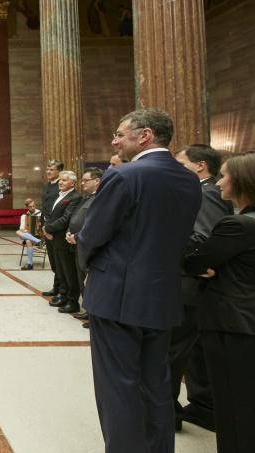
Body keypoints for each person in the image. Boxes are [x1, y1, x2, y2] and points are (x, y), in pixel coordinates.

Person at [77, 108, 202, 452]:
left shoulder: (125, 176)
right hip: (162, 293)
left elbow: (92, 234)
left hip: (117, 294)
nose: (114, 140)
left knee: (118, 387)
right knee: (156, 383)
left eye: (120, 134)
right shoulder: (188, 179)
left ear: (144, 135)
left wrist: (89, 270)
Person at [182, 151, 255, 452]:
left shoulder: (237, 226)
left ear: (241, 181)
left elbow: (193, 262)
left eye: (224, 176)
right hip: (244, 320)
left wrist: (196, 263)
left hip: (231, 324)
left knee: (233, 408)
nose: (220, 182)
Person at [169, 144, 234, 432]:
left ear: (200, 166)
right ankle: (203, 407)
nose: (176, 169)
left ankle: (169, 413)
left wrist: (169, 250)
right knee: (194, 353)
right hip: (191, 285)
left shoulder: (206, 193)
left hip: (189, 285)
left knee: (173, 353)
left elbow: (203, 237)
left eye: (181, 164)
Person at [66, 167, 104, 327]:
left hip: (86, 243)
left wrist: (77, 236)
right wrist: (70, 232)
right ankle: (88, 310)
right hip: (78, 243)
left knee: (90, 282)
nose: (82, 183)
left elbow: (95, 224)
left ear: (97, 181)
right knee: (82, 279)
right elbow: (76, 216)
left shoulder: (100, 198)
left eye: (85, 180)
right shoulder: (88, 197)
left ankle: (94, 315)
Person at [42, 171, 82, 313]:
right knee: (60, 270)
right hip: (54, 237)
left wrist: (48, 228)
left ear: (72, 183)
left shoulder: (75, 197)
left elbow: (66, 219)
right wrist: (46, 228)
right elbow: (51, 215)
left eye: (64, 180)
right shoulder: (60, 195)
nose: (60, 182)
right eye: (60, 180)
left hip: (63, 239)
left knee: (68, 271)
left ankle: (72, 300)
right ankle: (63, 295)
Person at [41, 159, 63, 296]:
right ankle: (57, 287)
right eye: (47, 169)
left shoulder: (60, 188)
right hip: (46, 228)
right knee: (53, 262)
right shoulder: (47, 186)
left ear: (59, 171)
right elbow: (44, 207)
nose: (48, 172)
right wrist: (43, 226)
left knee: (60, 262)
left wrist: (50, 227)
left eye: (52, 169)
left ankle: (61, 289)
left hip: (56, 229)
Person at [16, 198, 43, 270]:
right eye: (30, 207)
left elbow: (46, 227)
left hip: (39, 235)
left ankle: (29, 263)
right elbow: (21, 228)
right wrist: (24, 230)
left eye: (33, 206)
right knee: (18, 232)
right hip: (29, 235)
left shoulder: (41, 214)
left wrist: (41, 224)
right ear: (27, 207)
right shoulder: (24, 216)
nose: (33, 208)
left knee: (28, 241)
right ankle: (39, 242)